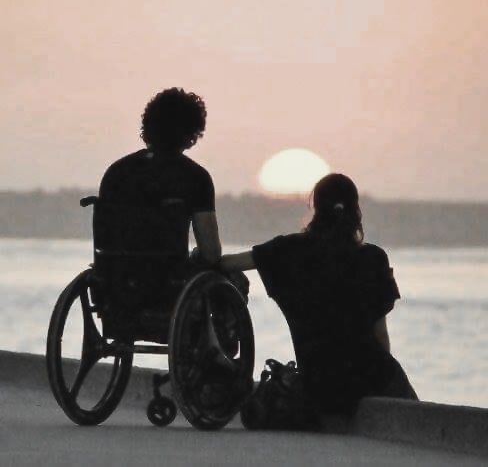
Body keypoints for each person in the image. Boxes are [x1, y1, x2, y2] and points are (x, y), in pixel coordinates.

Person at [219, 173, 418, 420]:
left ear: (316, 208)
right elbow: (380, 336)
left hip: (318, 382)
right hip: (370, 376)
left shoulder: (285, 251)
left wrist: (201, 257)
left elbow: (228, 263)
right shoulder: (373, 259)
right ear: (355, 210)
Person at [99, 87, 222, 266]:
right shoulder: (195, 178)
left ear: (149, 125)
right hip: (168, 284)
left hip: (115, 284)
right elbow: (211, 254)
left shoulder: (116, 173)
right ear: (192, 132)